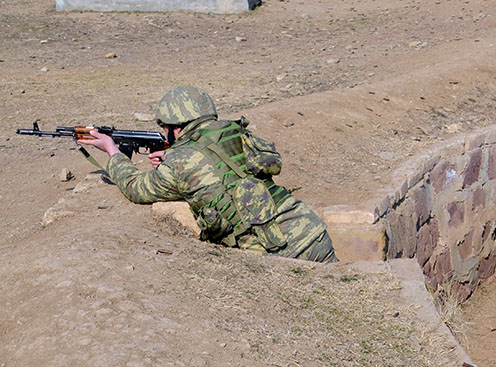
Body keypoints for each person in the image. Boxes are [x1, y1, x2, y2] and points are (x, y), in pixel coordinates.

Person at [82, 86, 338, 263]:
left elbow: (136, 189)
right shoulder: (234, 131)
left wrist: (112, 152)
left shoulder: (179, 162)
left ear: (176, 127)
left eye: (165, 126)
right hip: (312, 232)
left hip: (279, 254)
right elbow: (223, 171)